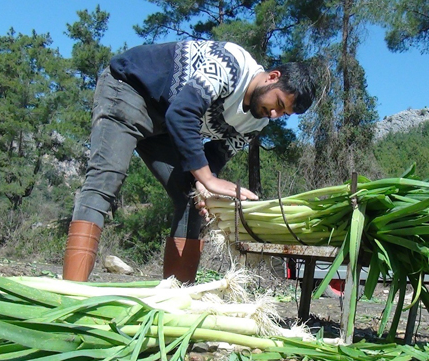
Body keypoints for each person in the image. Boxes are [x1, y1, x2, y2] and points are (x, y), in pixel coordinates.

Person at [63, 39, 317, 283]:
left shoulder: (258, 121)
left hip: (166, 123)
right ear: (272, 77)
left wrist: (204, 185)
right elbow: (183, 113)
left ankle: (176, 299)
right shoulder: (232, 64)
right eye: (279, 103)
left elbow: (216, 155)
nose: (274, 114)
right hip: (130, 90)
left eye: (283, 113)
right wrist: (207, 178)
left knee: (192, 199)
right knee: (106, 178)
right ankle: (69, 295)